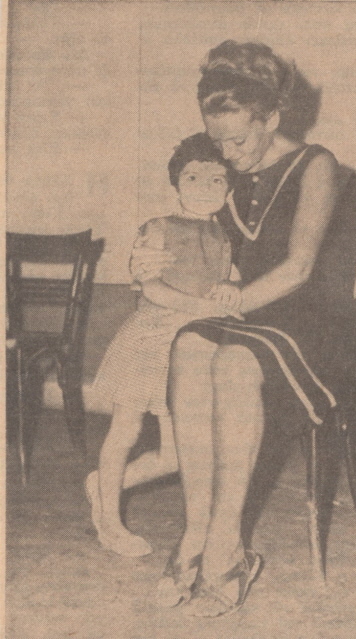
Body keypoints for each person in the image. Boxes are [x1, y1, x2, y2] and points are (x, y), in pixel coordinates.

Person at [128, 40, 353, 617]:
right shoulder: (219, 164)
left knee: (230, 360)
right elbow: (187, 236)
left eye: (241, 139)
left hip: (307, 323)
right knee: (188, 347)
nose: (229, 154)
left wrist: (227, 308)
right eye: (219, 141)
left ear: (272, 118)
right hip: (236, 314)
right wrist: (145, 262)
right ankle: (195, 537)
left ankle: (229, 551)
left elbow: (300, 268)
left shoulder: (317, 165)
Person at [85, 133, 242, 557]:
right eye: (192, 178)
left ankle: (103, 485)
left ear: (229, 190)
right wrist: (199, 306)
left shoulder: (225, 239)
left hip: (189, 348)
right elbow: (151, 287)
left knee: (176, 455)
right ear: (175, 184)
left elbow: (231, 280)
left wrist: (229, 286)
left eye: (216, 181)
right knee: (126, 430)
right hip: (150, 338)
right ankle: (111, 522)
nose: (204, 189)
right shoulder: (159, 227)